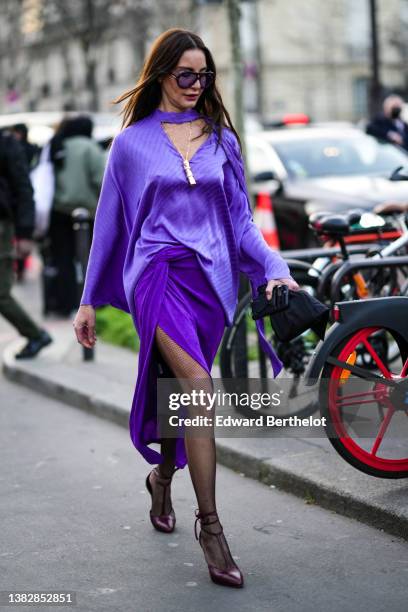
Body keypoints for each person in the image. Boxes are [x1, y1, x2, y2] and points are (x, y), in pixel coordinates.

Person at [72, 28, 298, 589]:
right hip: (157, 274)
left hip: (210, 285)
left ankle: (161, 478)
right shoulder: (131, 144)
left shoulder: (224, 140)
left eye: (206, 75)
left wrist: (275, 267)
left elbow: (242, 223)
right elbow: (109, 223)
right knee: (196, 385)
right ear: (163, 75)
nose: (197, 85)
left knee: (179, 393)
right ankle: (212, 526)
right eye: (186, 75)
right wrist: (87, 300)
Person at [46, 115, 107, 316]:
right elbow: (102, 181)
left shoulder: (57, 145)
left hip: (59, 212)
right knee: (90, 260)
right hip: (87, 214)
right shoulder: (90, 148)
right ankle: (91, 304)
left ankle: (66, 304)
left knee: (63, 260)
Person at [0, 129, 52, 358]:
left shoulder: (6, 145)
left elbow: (23, 189)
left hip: (2, 227)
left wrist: (25, 233)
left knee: (0, 293)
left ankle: (35, 334)